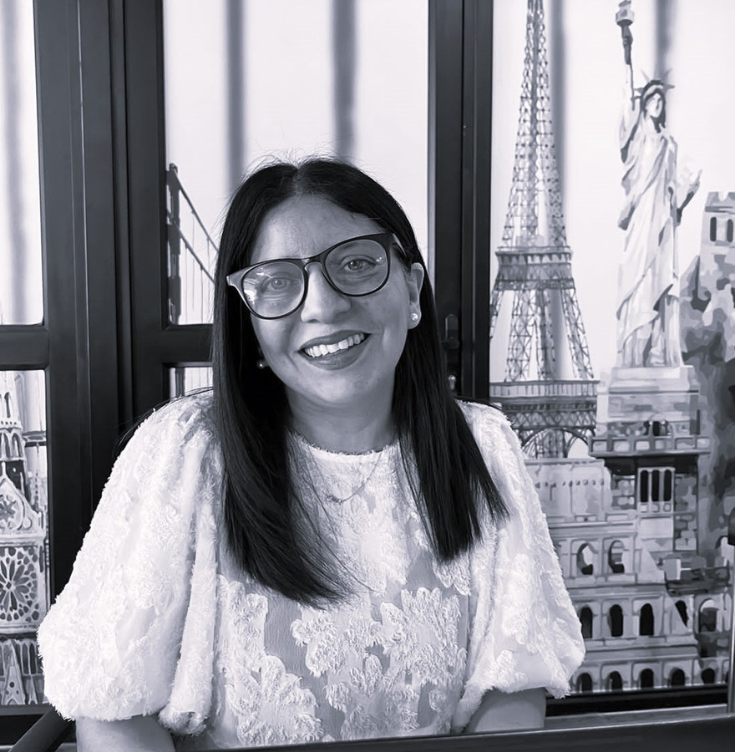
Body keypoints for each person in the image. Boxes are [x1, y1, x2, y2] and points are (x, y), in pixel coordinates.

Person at [38, 158, 584, 750]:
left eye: (357, 264)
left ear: (412, 290)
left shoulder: (483, 449)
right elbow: (114, 712)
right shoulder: (187, 453)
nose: (323, 306)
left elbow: (512, 691)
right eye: (276, 282)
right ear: (249, 324)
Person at [616, 71, 700, 368]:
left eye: (660, 100)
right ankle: (635, 352)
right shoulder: (637, 141)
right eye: (651, 99)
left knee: (660, 280)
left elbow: (678, 185)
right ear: (644, 104)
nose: (656, 104)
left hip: (662, 219)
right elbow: (626, 112)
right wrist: (627, 59)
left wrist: (686, 191)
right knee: (638, 281)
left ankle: (657, 350)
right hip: (641, 218)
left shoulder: (669, 144)